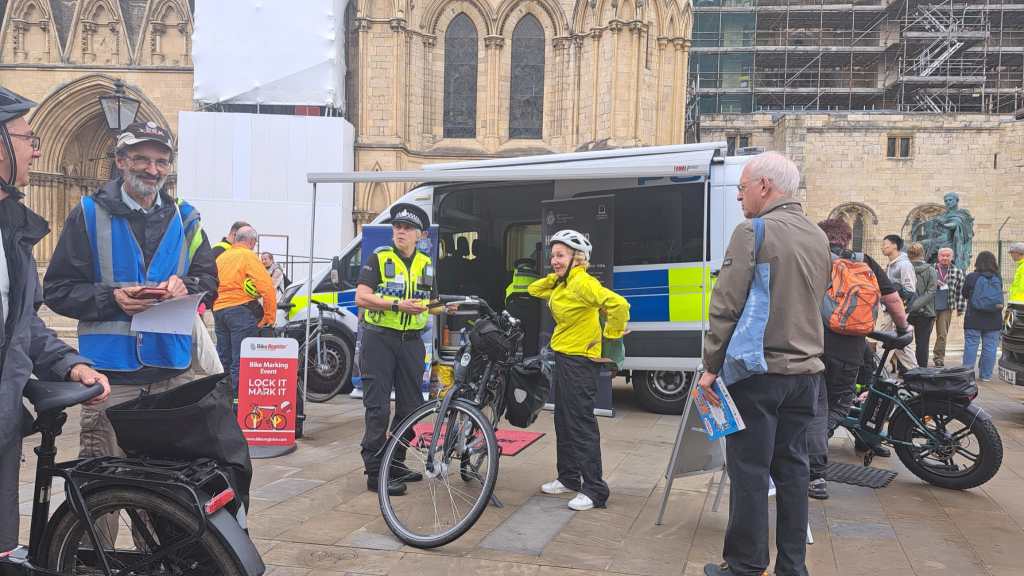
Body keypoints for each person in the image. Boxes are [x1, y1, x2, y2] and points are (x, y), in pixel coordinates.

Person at [43, 121, 221, 470]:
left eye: (161, 162)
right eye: (141, 159)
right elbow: (57, 290)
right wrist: (113, 299)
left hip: (173, 375)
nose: (152, 170)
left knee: (166, 491)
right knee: (102, 484)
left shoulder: (186, 218)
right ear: (121, 160)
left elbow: (209, 282)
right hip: (112, 379)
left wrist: (189, 287)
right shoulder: (89, 214)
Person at [699, 152, 830, 576]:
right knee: (794, 472)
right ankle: (793, 567)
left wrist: (710, 365)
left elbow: (726, 305)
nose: (739, 197)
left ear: (765, 187)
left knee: (750, 471)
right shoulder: (817, 235)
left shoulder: (752, 231)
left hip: (759, 374)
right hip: (806, 375)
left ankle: (745, 565)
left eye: (742, 188)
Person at [0, 86, 111, 555]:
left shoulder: (12, 226)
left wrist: (68, 363)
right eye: (27, 138)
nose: (37, 149)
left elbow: (21, 322)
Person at [807, 219, 910, 500]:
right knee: (838, 404)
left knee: (816, 409)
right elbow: (893, 301)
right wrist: (903, 330)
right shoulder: (865, 262)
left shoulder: (813, 259)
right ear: (848, 239)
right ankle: (812, 460)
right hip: (851, 347)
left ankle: (813, 472)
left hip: (814, 345)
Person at [528, 230, 629, 512]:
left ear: (578, 258)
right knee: (563, 420)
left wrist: (611, 336)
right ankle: (569, 477)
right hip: (564, 356)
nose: (554, 261)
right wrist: (558, 274)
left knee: (581, 423)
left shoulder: (583, 282)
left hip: (580, 361)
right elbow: (535, 289)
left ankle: (595, 489)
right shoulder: (565, 283)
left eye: (560, 255)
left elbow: (619, 305)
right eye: (553, 256)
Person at [355, 203, 447, 496]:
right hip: (379, 340)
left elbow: (431, 303)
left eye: (407, 228)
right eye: (397, 227)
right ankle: (374, 472)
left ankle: (394, 462)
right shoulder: (379, 257)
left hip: (411, 342)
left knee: (411, 407)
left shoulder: (425, 263)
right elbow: (362, 297)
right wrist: (396, 304)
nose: (400, 232)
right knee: (378, 408)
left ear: (419, 234)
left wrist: (447, 307)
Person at [213, 226, 277, 395]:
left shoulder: (222, 257)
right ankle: (239, 404)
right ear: (251, 242)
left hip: (219, 311)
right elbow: (267, 288)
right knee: (241, 362)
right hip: (240, 312)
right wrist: (269, 317)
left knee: (223, 360)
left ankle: (222, 401)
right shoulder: (248, 256)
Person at [962, 251, 1004, 382]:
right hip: (994, 319)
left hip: (973, 317)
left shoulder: (971, 277)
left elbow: (964, 294)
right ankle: (986, 376)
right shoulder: (998, 277)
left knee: (971, 345)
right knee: (990, 347)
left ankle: (967, 375)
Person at [880, 234, 918, 372]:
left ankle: (879, 370)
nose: (882, 247)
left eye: (885, 244)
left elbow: (910, 290)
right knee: (898, 343)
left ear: (895, 245)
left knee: (892, 341)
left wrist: (894, 291)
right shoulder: (892, 264)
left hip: (899, 310)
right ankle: (914, 371)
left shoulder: (904, 265)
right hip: (890, 309)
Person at [932, 247, 966, 367]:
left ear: (952, 257)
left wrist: (961, 308)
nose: (945, 258)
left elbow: (961, 291)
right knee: (925, 333)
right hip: (930, 306)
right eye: (943, 255)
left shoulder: (957, 271)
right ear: (938, 257)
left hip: (947, 307)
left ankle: (938, 357)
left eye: (948, 256)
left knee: (942, 334)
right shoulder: (931, 269)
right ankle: (920, 356)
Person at [907, 242, 937, 368]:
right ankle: (922, 370)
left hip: (905, 310)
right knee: (923, 344)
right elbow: (931, 292)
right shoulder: (931, 270)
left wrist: (911, 306)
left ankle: (904, 369)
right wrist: (918, 305)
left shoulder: (905, 268)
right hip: (926, 312)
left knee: (903, 343)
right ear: (923, 254)